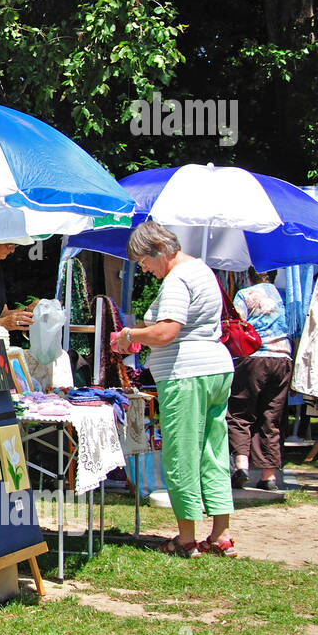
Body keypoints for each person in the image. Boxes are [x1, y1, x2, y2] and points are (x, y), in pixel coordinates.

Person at [112, 221, 237, 558]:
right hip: (216, 369)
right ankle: (221, 535)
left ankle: (186, 538)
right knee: (213, 451)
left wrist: (129, 337)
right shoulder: (202, 270)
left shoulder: (178, 278)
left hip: (187, 374)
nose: (146, 270)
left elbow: (166, 331)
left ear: (159, 251)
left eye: (144, 262)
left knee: (181, 453)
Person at [226, 269, 292, 491]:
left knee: (240, 413)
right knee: (271, 417)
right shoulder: (285, 295)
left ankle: (241, 466)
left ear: (249, 276)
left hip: (254, 357)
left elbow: (239, 326)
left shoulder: (245, 295)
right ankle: (269, 476)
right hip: (282, 357)